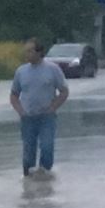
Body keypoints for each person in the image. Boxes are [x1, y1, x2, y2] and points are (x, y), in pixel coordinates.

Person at [9, 39, 70, 177]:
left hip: (46, 117)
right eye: (26, 51)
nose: (27, 54)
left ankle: (45, 177)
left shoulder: (53, 69)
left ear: (39, 52)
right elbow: (13, 95)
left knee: (47, 147)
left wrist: (53, 108)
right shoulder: (21, 71)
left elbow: (64, 91)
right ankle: (28, 182)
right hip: (28, 117)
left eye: (30, 51)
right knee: (28, 152)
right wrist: (21, 112)